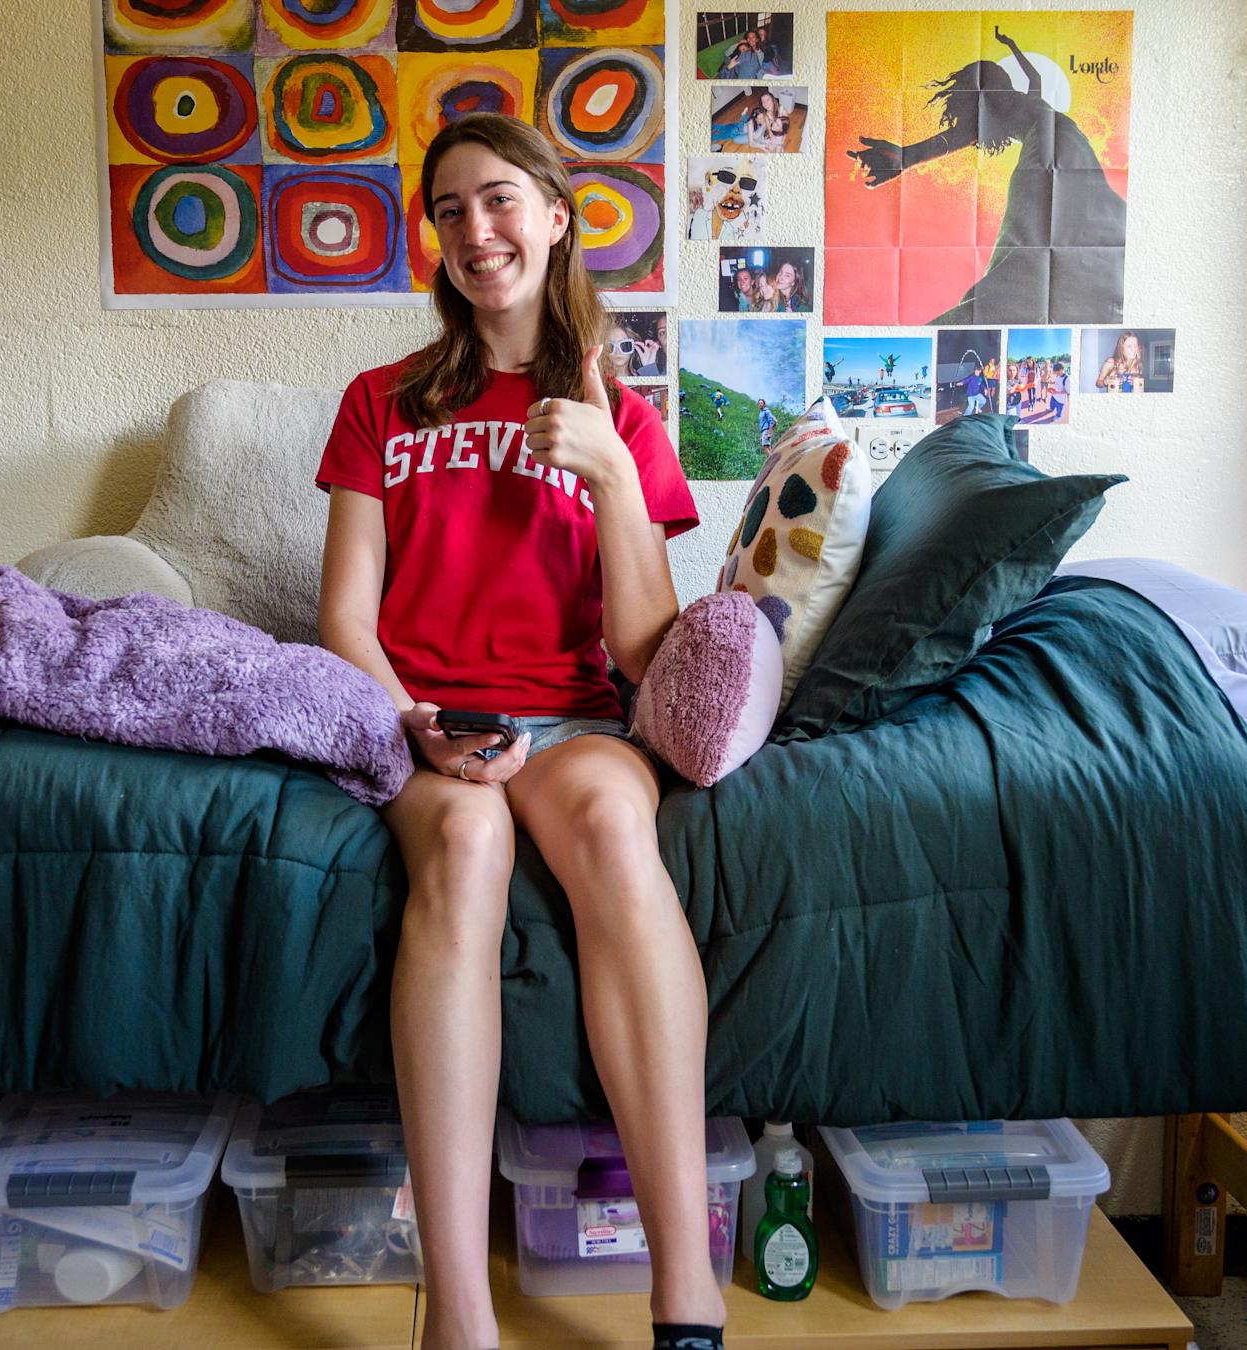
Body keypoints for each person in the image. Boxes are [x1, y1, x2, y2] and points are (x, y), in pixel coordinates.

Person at [315, 113, 719, 1350]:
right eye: (448, 211)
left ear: (555, 215)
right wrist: (413, 725)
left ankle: (685, 1290)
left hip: (573, 718)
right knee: (468, 850)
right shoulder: (380, 402)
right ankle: (463, 1313)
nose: (475, 231)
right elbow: (343, 617)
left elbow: (649, 654)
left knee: (607, 817)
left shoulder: (627, 417)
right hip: (425, 716)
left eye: (497, 201)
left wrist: (607, 474)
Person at [843, 24, 1126, 323]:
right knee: (1037, 253)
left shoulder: (1018, 100)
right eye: (993, 77)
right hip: (1055, 151)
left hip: (1060, 152)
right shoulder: (1009, 106)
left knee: (1051, 247)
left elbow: (1032, 79)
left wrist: (1012, 44)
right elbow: (955, 137)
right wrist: (906, 155)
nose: (1000, 80)